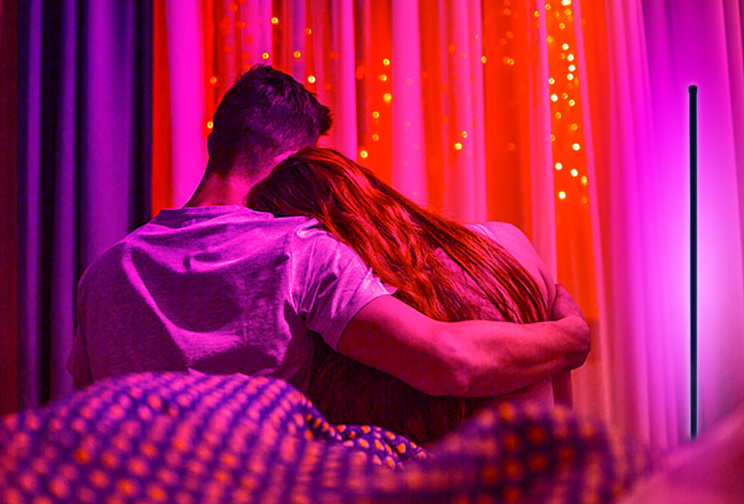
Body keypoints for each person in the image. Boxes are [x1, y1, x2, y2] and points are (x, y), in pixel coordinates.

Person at [67, 65, 589, 407]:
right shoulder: (298, 251)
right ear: (297, 160)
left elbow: (86, 414)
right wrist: (570, 337)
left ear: (215, 143)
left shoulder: (107, 270)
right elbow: (451, 363)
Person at [247, 148, 578, 443]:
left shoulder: (375, 325)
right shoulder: (506, 240)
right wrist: (573, 335)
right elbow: (561, 393)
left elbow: (452, 363)